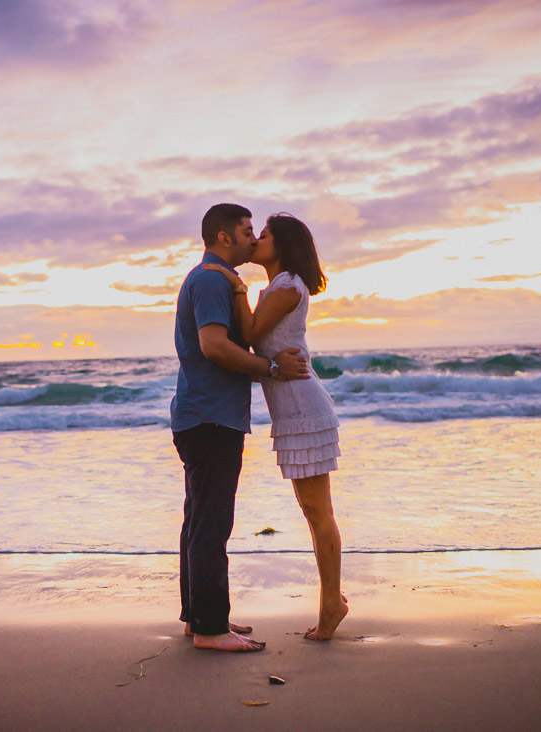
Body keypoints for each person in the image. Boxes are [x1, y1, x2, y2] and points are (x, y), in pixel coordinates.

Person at [171, 203, 311, 653]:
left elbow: (226, 346)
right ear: (225, 238)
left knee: (198, 520)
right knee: (211, 523)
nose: (254, 239)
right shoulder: (212, 280)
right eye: (248, 231)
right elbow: (215, 347)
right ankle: (211, 629)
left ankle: (200, 618)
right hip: (211, 417)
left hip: (201, 414)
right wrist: (271, 367)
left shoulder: (215, 280)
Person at [203, 212, 348, 641]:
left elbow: (246, 332)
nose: (256, 242)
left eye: (262, 236)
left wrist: (234, 284)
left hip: (303, 410)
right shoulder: (279, 287)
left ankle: (332, 604)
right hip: (293, 410)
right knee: (312, 510)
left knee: (319, 512)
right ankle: (332, 601)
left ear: (281, 245)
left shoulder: (285, 288)